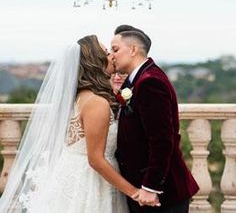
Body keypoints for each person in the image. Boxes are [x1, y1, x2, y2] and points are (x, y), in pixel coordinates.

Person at [0, 35, 147, 213]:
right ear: (95, 61)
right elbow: (96, 160)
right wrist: (134, 193)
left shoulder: (78, 96)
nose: (112, 56)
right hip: (90, 183)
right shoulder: (97, 103)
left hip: (71, 175)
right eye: (107, 53)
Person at [111, 25, 199, 213]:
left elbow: (162, 140)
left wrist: (151, 187)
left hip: (161, 194)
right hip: (140, 186)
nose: (112, 55)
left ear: (133, 50)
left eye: (115, 49)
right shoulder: (135, 80)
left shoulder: (150, 82)